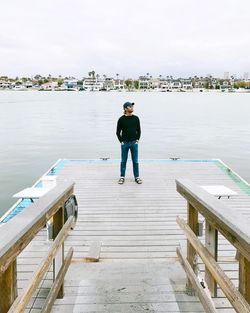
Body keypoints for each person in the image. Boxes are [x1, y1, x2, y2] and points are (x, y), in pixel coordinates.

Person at [116, 101, 142, 184]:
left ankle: (137, 177)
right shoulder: (121, 119)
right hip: (125, 143)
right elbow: (117, 132)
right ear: (125, 109)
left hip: (134, 143)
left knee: (135, 161)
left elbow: (139, 130)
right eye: (130, 106)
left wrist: (137, 139)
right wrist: (121, 141)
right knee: (123, 160)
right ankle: (122, 177)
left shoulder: (136, 118)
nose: (132, 108)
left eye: (132, 106)